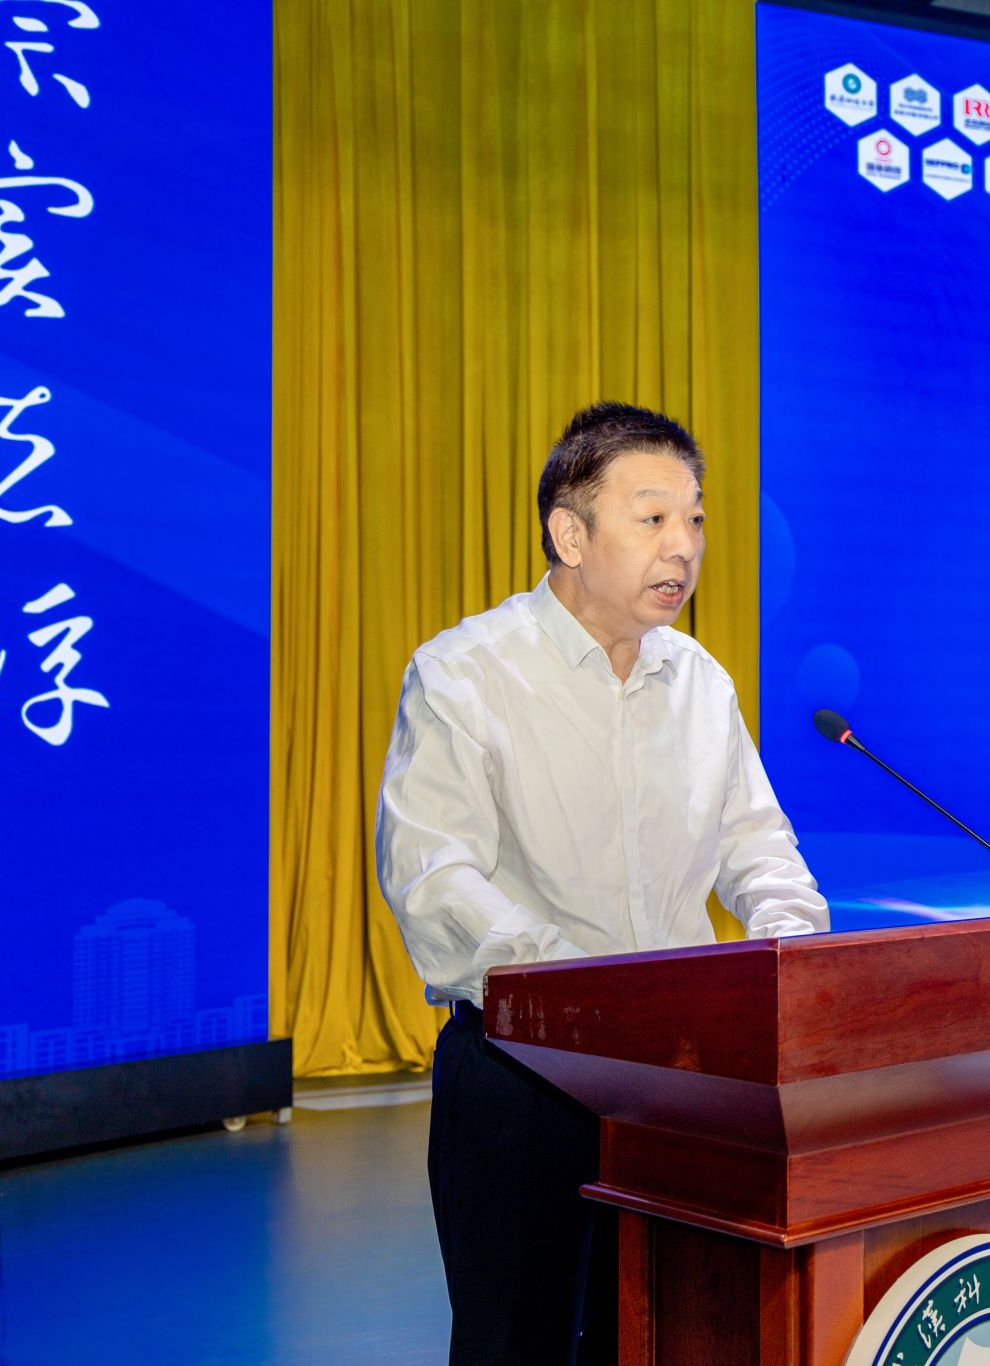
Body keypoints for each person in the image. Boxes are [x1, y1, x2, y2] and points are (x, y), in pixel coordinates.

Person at [375, 401, 829, 1366]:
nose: (684, 546)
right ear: (570, 535)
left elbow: (758, 848)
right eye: (653, 517)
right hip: (523, 1076)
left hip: (684, 1082)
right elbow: (433, 873)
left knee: (670, 1334)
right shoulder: (465, 673)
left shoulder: (700, 682)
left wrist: (791, 961)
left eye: (695, 519)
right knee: (520, 1344)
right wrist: (588, 999)